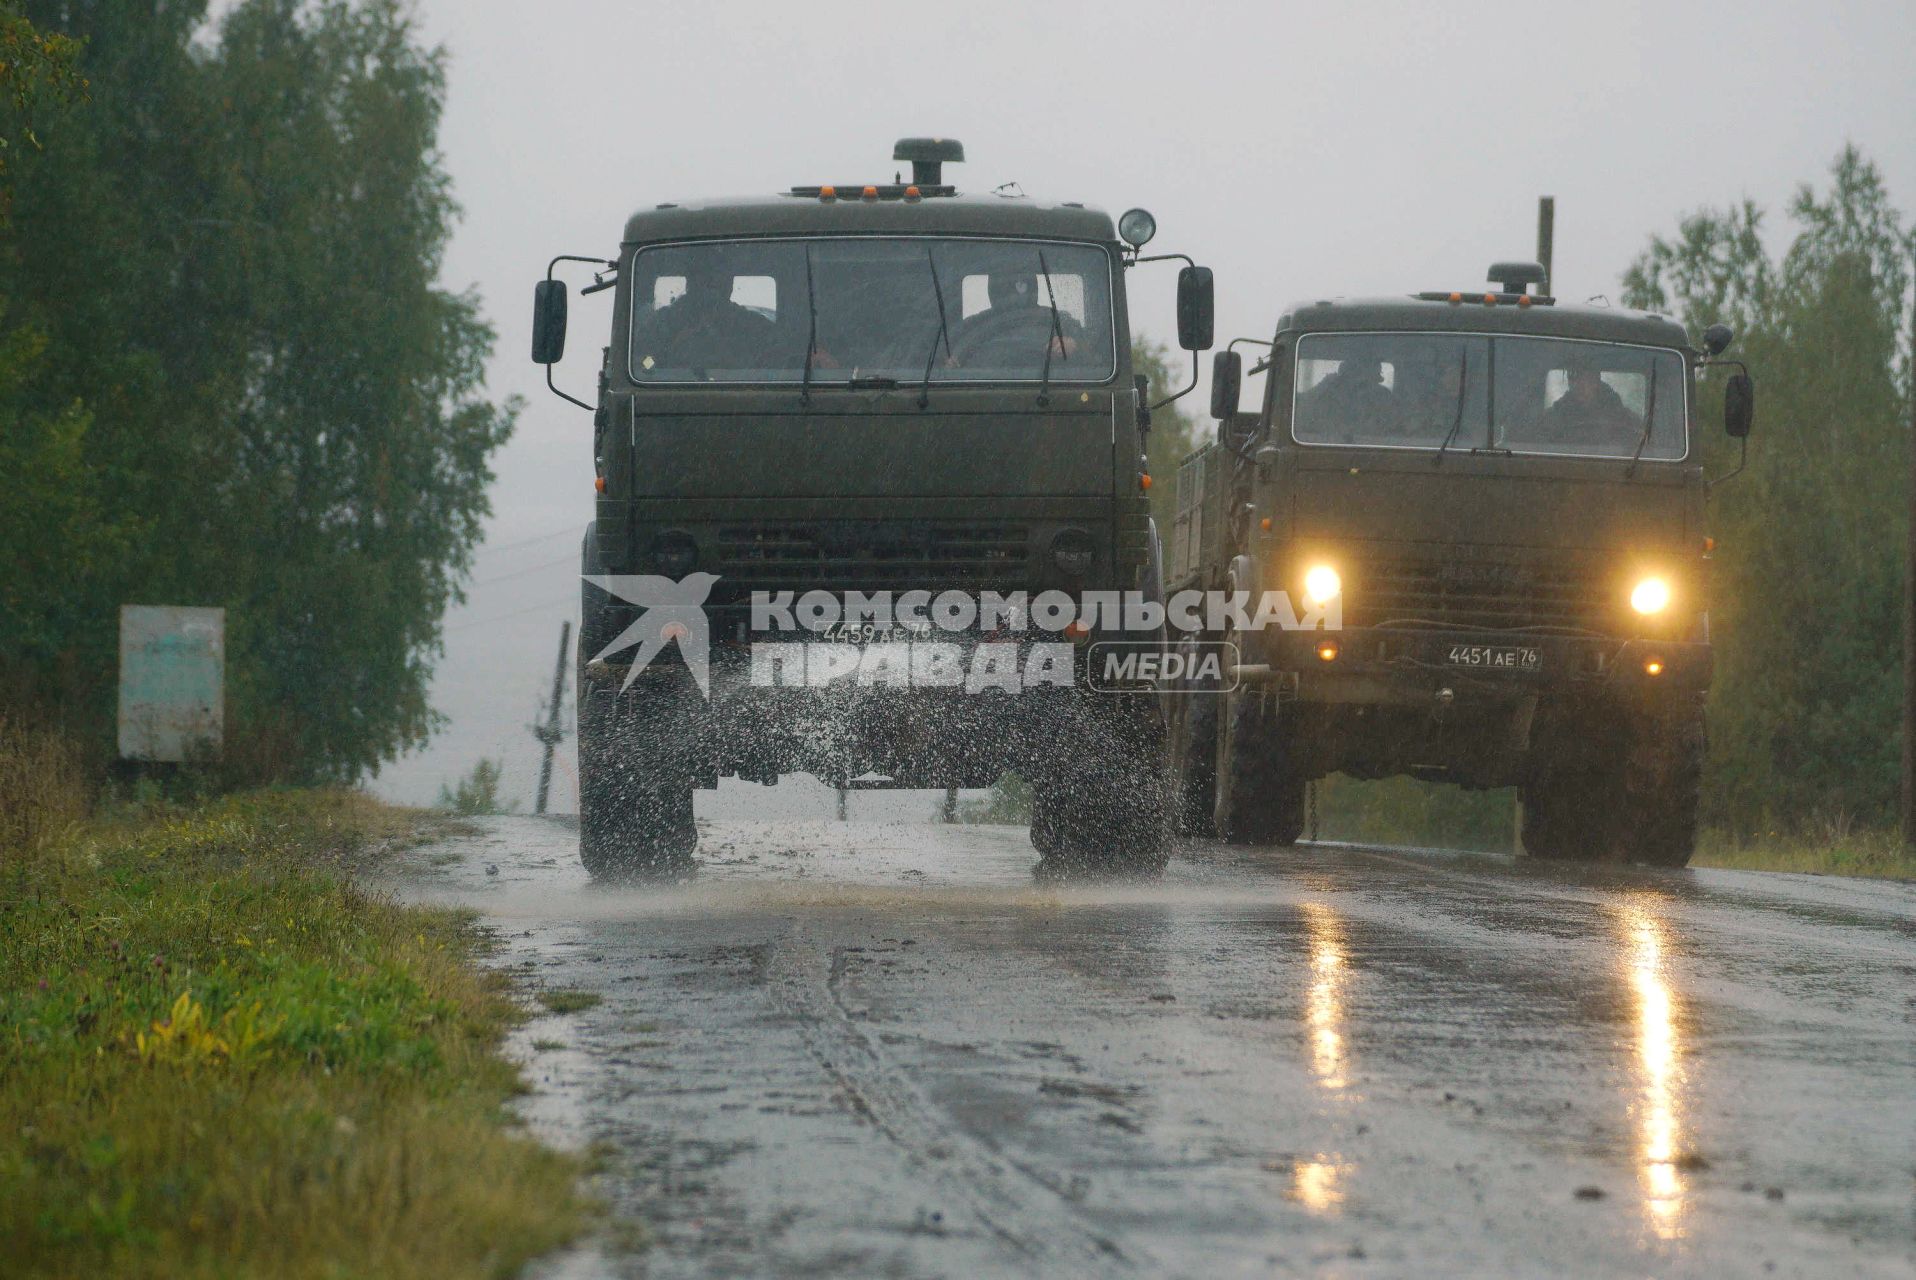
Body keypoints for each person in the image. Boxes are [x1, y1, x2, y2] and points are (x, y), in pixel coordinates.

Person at [640, 259, 777, 375]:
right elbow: (643, 365)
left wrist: (735, 360)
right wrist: (666, 352)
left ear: (730, 286)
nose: (711, 290)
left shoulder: (753, 326)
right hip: (669, 397)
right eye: (705, 280)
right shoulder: (664, 322)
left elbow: (777, 368)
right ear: (691, 283)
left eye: (718, 282)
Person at [1537, 350, 1639, 449]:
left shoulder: (1624, 418)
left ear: (1596, 380)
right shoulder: (1551, 418)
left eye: (1587, 377)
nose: (1580, 384)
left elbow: (1644, 446)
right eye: (1574, 376)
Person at [1297, 353, 1395, 438]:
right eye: (1353, 377)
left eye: (1366, 381)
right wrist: (1323, 386)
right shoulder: (1325, 398)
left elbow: (1393, 435)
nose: (1358, 386)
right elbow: (1300, 416)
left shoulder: (1384, 398)